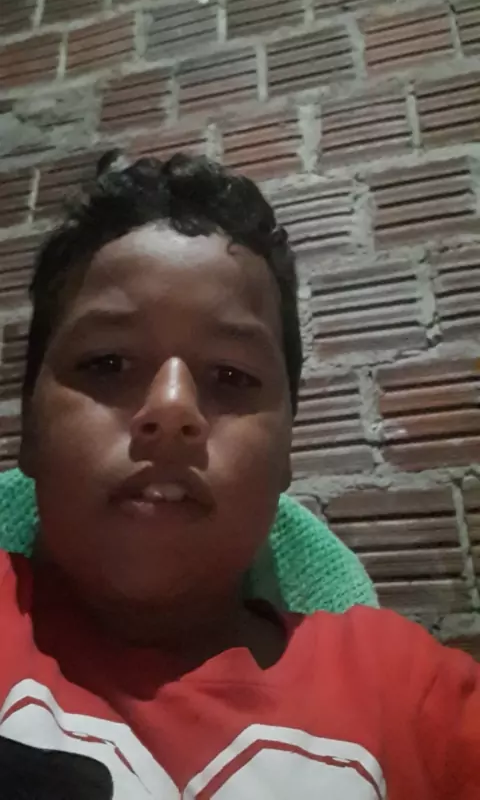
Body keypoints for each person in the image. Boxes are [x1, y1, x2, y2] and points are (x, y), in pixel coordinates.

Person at [0, 151, 478, 800]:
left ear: (286, 454)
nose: (172, 409)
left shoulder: (409, 695)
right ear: (29, 430)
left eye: (230, 376)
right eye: (107, 363)